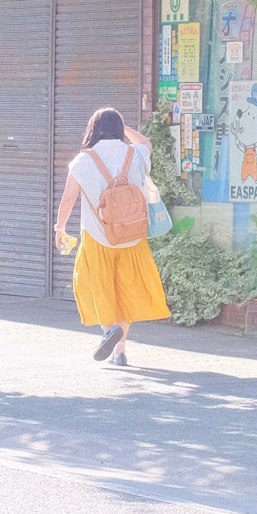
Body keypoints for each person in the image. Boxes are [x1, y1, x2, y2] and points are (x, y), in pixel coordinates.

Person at [54, 106, 170, 366]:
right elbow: (146, 142)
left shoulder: (84, 161)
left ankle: (109, 331)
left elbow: (68, 199)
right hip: (133, 236)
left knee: (95, 287)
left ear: (93, 129)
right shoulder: (135, 154)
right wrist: (125, 127)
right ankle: (120, 350)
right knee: (126, 292)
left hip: (98, 237)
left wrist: (59, 229)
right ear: (119, 130)